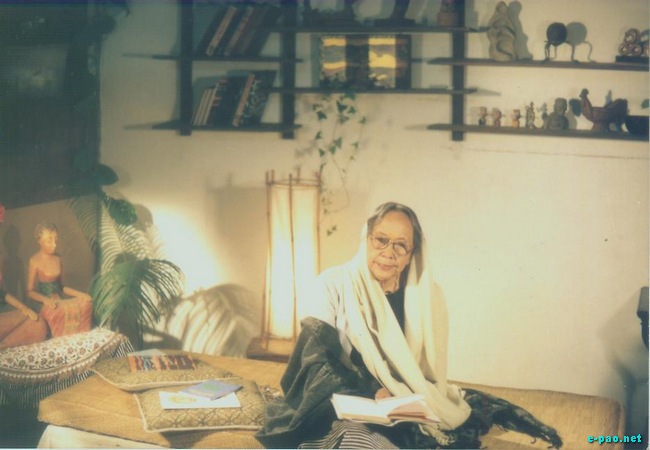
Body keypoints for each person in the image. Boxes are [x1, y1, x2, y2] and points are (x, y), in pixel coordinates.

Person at [257, 203, 562, 449]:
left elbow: (425, 373)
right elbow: (316, 359)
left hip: (400, 403)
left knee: (426, 426)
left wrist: (398, 396)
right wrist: (372, 391)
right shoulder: (333, 284)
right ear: (366, 240)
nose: (388, 252)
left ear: (411, 255)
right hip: (340, 400)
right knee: (359, 439)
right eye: (381, 240)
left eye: (401, 245)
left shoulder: (425, 298)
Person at [27, 222, 92, 338]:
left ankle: (78, 333)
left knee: (86, 304)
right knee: (54, 314)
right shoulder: (34, 260)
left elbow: (62, 287)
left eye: (56, 239)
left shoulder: (58, 258)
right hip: (44, 303)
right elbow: (30, 292)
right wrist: (45, 300)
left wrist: (80, 294)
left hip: (60, 301)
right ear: (39, 241)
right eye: (49, 241)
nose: (54, 244)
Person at [0, 205, 48, 350]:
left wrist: (25, 308)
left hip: (7, 311)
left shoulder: (8, 261)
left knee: (39, 324)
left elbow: (4, 294)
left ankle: (4, 345)